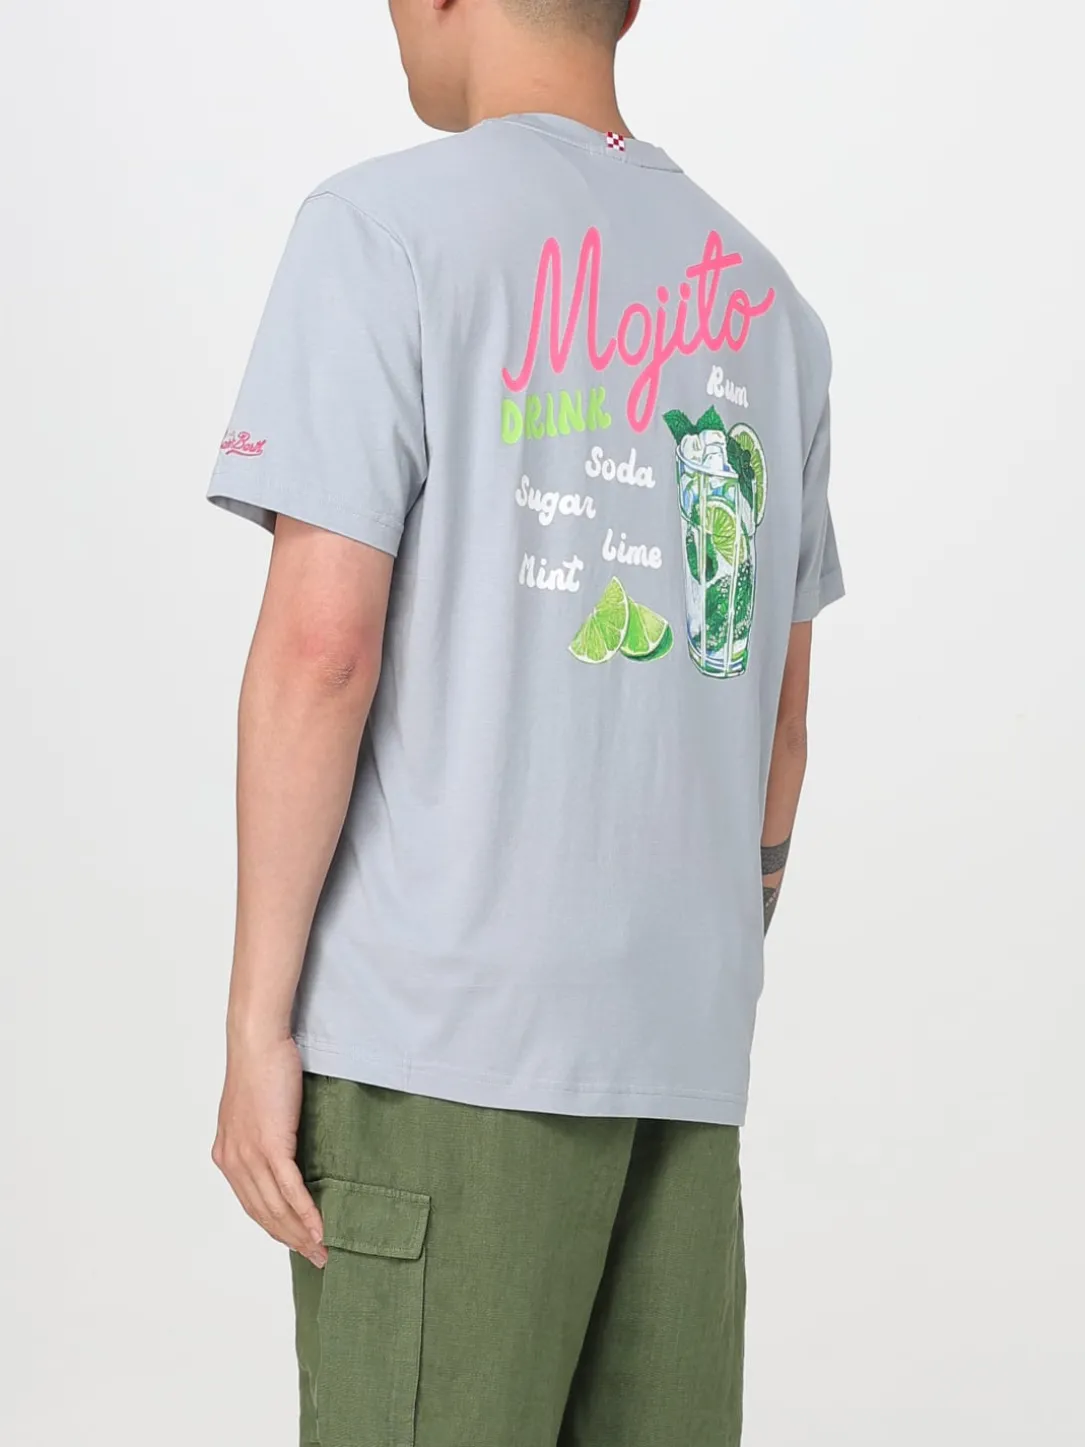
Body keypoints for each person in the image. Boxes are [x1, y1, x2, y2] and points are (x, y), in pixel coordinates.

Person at [207, 0, 844, 1441]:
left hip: (440, 1047)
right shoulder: (773, 310)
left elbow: (321, 649)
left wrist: (257, 1022)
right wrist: (703, 960)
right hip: (682, 1062)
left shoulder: (382, 233)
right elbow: (782, 723)